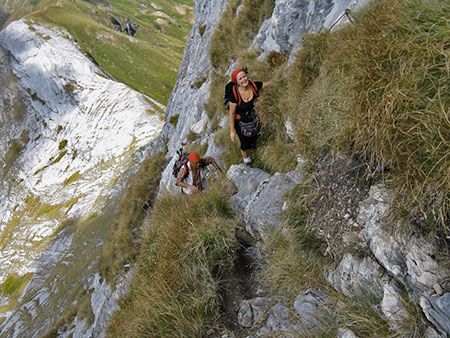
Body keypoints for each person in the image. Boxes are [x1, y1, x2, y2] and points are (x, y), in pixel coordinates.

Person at [229, 68, 270, 165]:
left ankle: (254, 155)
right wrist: (232, 131)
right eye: (240, 79)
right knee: (244, 143)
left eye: (244, 76)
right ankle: (247, 161)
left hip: (252, 119)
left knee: (254, 139)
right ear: (237, 82)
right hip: (240, 122)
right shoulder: (234, 95)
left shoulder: (254, 86)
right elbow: (232, 113)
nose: (244, 80)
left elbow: (267, 84)